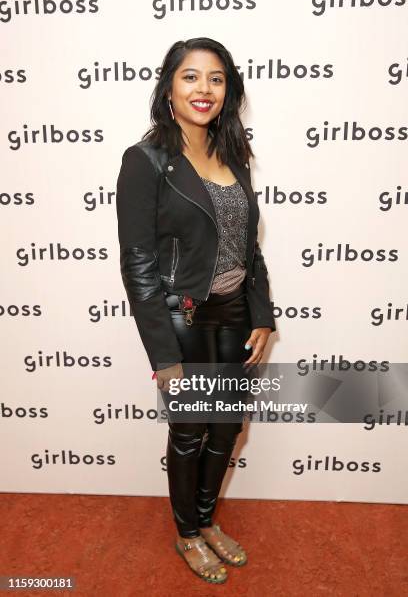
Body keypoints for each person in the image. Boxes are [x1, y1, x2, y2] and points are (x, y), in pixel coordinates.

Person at [115, 37, 276, 584]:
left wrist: (262, 314)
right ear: (168, 88)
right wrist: (162, 354)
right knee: (190, 431)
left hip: (234, 314)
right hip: (181, 318)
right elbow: (138, 266)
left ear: (227, 90)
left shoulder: (233, 152)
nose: (203, 88)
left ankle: (206, 522)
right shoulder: (145, 161)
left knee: (227, 425)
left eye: (216, 78)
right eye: (190, 77)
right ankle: (187, 533)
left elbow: (248, 248)